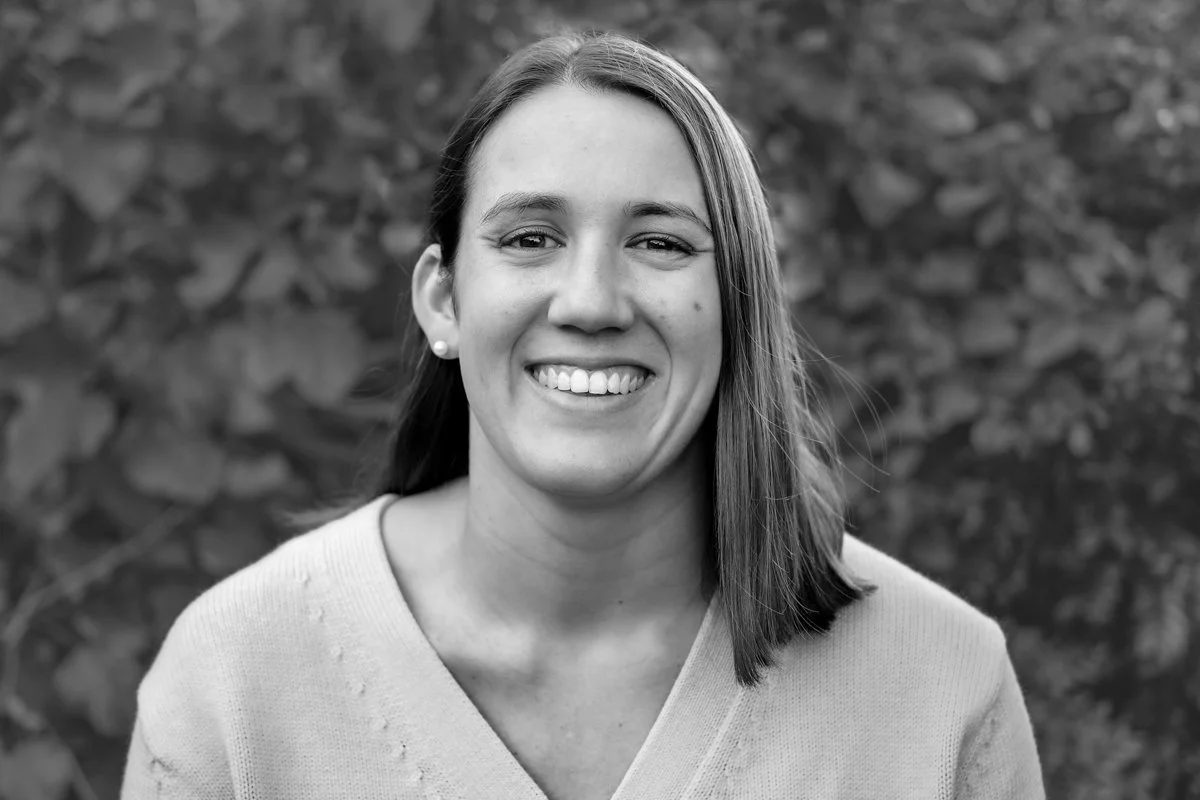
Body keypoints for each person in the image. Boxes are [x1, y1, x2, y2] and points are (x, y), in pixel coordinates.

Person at [121, 30, 1045, 800]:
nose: (592, 300)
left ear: (737, 305)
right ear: (443, 301)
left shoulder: (943, 686)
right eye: (530, 239)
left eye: (659, 242)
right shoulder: (237, 679)